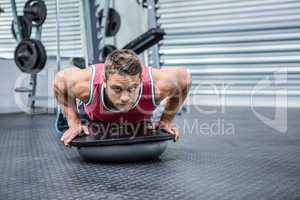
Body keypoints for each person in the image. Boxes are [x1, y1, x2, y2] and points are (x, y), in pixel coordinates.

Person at [53, 49, 192, 147]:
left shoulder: (157, 87)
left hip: (138, 118)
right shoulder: (87, 86)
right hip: (95, 116)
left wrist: (166, 121)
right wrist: (74, 122)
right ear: (104, 82)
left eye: (132, 88)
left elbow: (185, 78)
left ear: (141, 80)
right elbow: (60, 80)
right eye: (117, 89)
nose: (125, 98)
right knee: (68, 116)